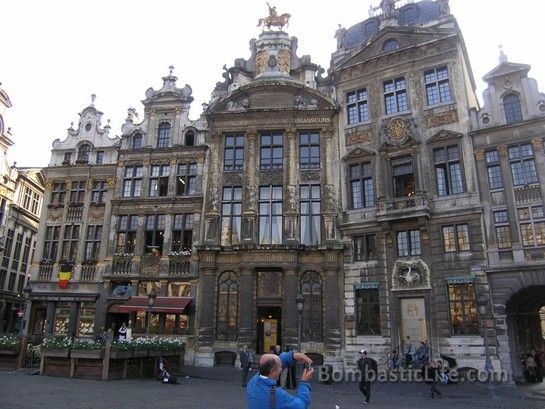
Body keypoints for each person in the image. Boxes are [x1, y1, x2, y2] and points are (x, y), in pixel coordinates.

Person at [247, 350, 313, 409]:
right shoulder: (278, 395)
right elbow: (301, 405)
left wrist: (292, 356)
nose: (281, 369)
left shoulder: (252, 382)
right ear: (273, 371)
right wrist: (304, 382)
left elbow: (274, 362)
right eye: (280, 367)